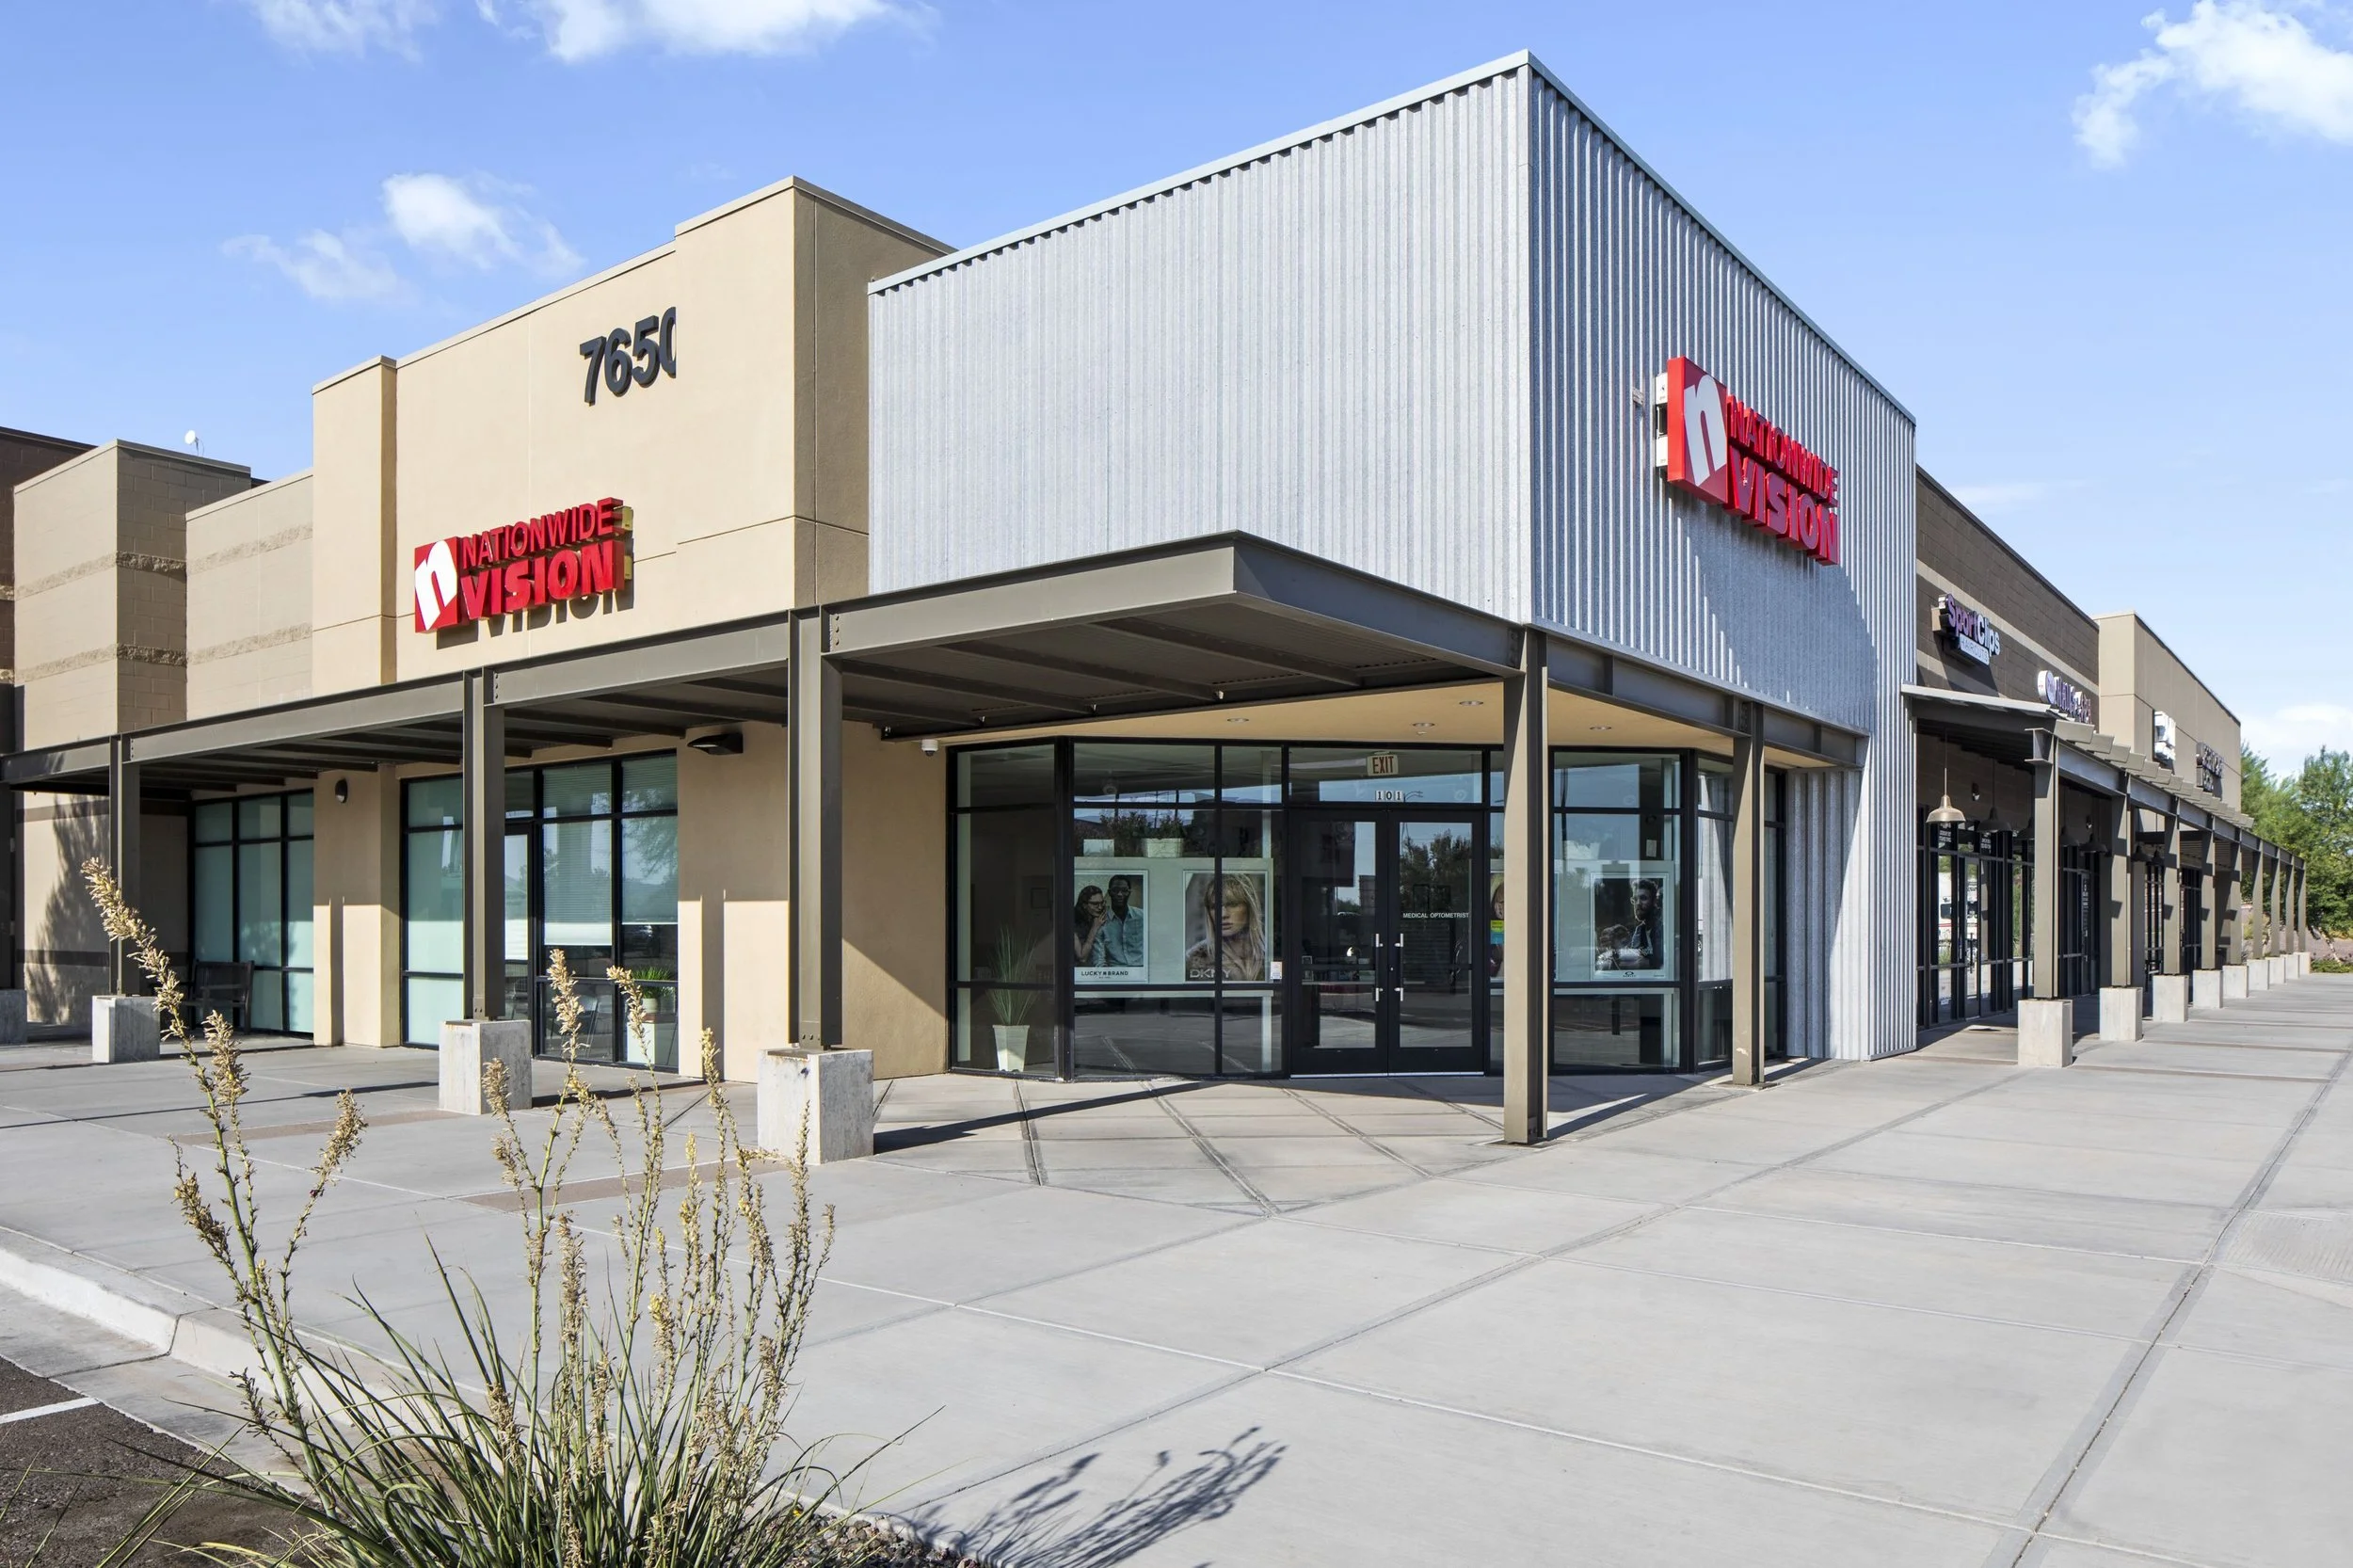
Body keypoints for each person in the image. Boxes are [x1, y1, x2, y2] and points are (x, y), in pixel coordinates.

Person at [1185, 873, 1268, 982]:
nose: (1223, 915)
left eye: (1232, 904)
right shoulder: (1193, 960)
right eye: (1215, 907)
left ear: (1249, 908)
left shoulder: (1269, 955)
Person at [1097, 875, 1145, 969]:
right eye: (1115, 890)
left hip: (1141, 969)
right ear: (1109, 892)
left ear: (1129, 893)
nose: (1119, 894)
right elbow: (1099, 959)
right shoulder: (1101, 921)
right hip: (1116, 971)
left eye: (1124, 890)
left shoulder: (1143, 916)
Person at [1072, 885, 1110, 965]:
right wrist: (1094, 928)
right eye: (1095, 904)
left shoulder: (1100, 915)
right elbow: (1082, 957)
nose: (1100, 907)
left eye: (1102, 903)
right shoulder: (1072, 920)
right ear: (1084, 905)